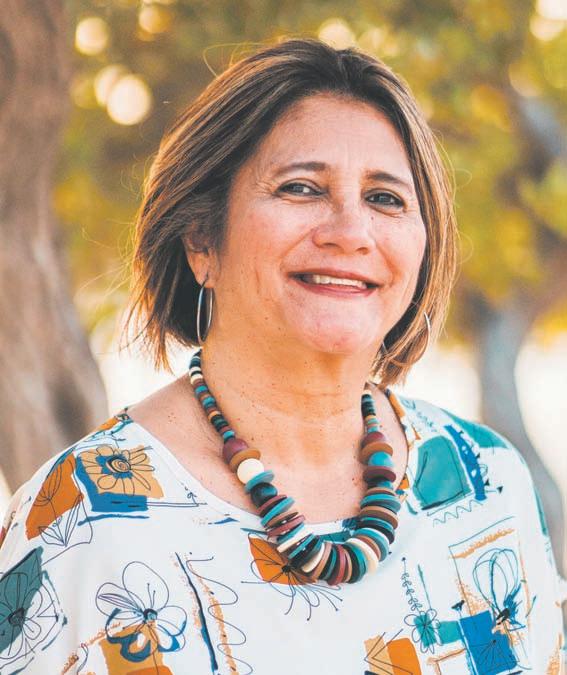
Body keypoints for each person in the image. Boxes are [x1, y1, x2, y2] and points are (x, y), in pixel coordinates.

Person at [0, 37, 564, 674]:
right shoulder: (82, 520)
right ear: (201, 238)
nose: (350, 232)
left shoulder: (489, 482)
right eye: (301, 188)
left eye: (385, 198)